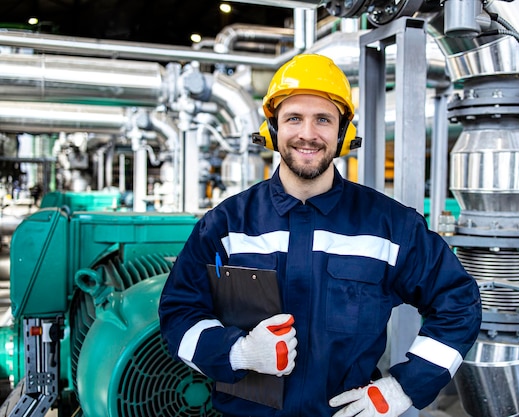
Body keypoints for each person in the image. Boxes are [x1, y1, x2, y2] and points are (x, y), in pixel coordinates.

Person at [159, 53, 482, 417]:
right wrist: (239, 352)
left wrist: (405, 386)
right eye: (293, 118)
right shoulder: (226, 225)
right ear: (272, 129)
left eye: (323, 120)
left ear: (342, 132)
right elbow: (179, 314)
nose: (307, 134)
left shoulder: (390, 227)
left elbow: (460, 303)